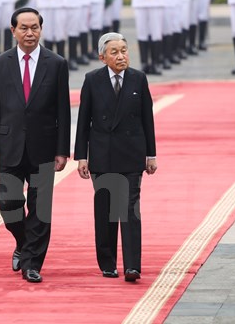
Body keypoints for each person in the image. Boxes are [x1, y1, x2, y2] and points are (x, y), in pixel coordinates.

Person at [0, 7, 70, 283]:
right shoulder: (0, 63)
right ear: (13, 31)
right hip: (9, 145)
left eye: (35, 27)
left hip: (44, 146)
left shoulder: (56, 63)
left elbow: (63, 111)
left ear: (41, 30)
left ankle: (32, 263)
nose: (30, 33)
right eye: (24, 28)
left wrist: (62, 150)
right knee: (8, 202)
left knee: (40, 208)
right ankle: (22, 242)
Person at [74, 32, 157, 282]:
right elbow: (83, 122)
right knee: (106, 210)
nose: (121, 56)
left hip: (131, 154)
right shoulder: (92, 80)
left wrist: (150, 154)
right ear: (102, 57)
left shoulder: (138, 79)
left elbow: (147, 120)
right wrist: (81, 156)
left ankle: (133, 266)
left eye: (124, 50)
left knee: (130, 210)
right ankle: (108, 263)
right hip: (102, 154)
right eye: (114, 52)